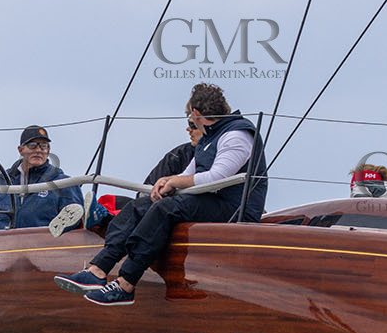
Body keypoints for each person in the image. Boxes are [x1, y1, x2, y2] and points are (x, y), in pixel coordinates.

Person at [54, 84, 269, 306]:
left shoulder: (237, 135)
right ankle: (97, 269)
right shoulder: (209, 137)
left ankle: (126, 284)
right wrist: (165, 182)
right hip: (213, 200)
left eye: (189, 117)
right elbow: (190, 173)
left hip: (233, 208)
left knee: (165, 209)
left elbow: (217, 177)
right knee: (142, 206)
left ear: (196, 114)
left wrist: (175, 181)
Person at [0, 125, 84, 231]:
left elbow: (76, 229)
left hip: (48, 247)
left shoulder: (65, 184)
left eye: (44, 146)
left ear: (48, 151)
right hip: (4, 247)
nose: (38, 150)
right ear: (20, 150)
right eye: (32, 145)